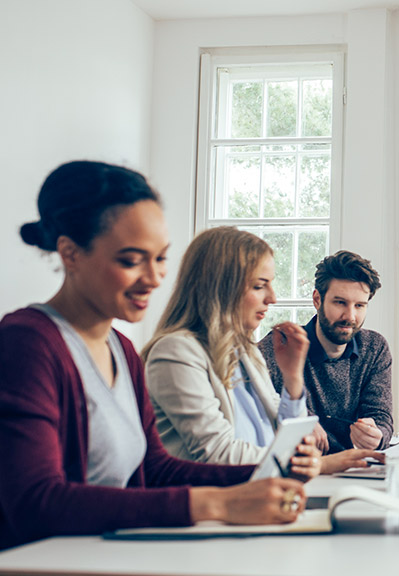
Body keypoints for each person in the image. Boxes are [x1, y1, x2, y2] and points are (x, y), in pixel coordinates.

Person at [0, 161, 307, 551]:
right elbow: (35, 503)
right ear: (71, 253)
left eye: (160, 258)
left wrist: (269, 476)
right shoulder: (27, 343)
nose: (155, 278)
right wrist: (215, 502)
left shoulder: (122, 350)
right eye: (130, 261)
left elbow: (154, 468)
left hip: (107, 557)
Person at [143, 227, 380, 475]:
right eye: (259, 286)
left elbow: (289, 434)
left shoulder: (245, 352)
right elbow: (218, 452)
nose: (272, 298)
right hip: (212, 504)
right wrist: (317, 464)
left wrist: (293, 378)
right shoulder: (176, 352)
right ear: (220, 289)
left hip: (260, 495)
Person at [258, 250, 393, 453]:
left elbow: (381, 415)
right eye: (340, 302)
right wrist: (301, 419)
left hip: (355, 467)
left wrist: (377, 435)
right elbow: (263, 408)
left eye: (359, 305)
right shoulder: (280, 345)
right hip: (299, 468)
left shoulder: (375, 347)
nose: (350, 316)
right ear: (317, 300)